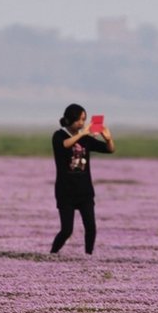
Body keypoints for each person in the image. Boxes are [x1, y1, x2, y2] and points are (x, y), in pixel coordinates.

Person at [50, 103, 115, 255]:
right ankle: (52, 254)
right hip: (65, 191)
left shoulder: (86, 139)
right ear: (68, 120)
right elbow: (65, 145)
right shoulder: (58, 135)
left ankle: (88, 255)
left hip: (85, 191)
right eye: (79, 120)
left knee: (91, 228)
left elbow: (109, 150)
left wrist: (108, 139)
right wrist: (83, 133)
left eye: (84, 120)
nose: (82, 123)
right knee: (67, 230)